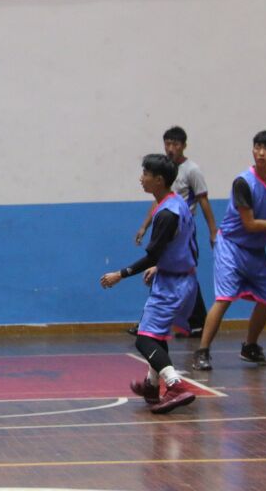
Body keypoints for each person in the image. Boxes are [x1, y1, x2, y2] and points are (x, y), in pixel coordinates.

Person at [192, 131, 266, 371]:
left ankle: (250, 347)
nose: (261, 153)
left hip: (255, 250)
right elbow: (250, 224)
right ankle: (202, 351)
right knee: (224, 299)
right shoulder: (243, 182)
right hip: (231, 246)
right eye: (258, 147)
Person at [101, 154, 198, 414]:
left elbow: (153, 255)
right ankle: (152, 386)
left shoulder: (166, 214)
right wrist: (161, 265)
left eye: (145, 174)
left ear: (159, 180)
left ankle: (175, 385)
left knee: (144, 341)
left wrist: (120, 274)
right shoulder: (178, 203)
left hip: (172, 286)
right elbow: (184, 245)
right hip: (182, 278)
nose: (141, 178)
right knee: (156, 335)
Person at [130, 126, 217, 338]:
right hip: (167, 225)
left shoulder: (192, 170)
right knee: (169, 273)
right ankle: (179, 321)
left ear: (184, 145)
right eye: (167, 143)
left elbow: (203, 200)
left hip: (183, 228)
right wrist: (144, 225)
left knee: (179, 271)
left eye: (175, 144)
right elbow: (158, 202)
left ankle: (186, 322)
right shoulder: (162, 173)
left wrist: (213, 230)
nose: (170, 148)